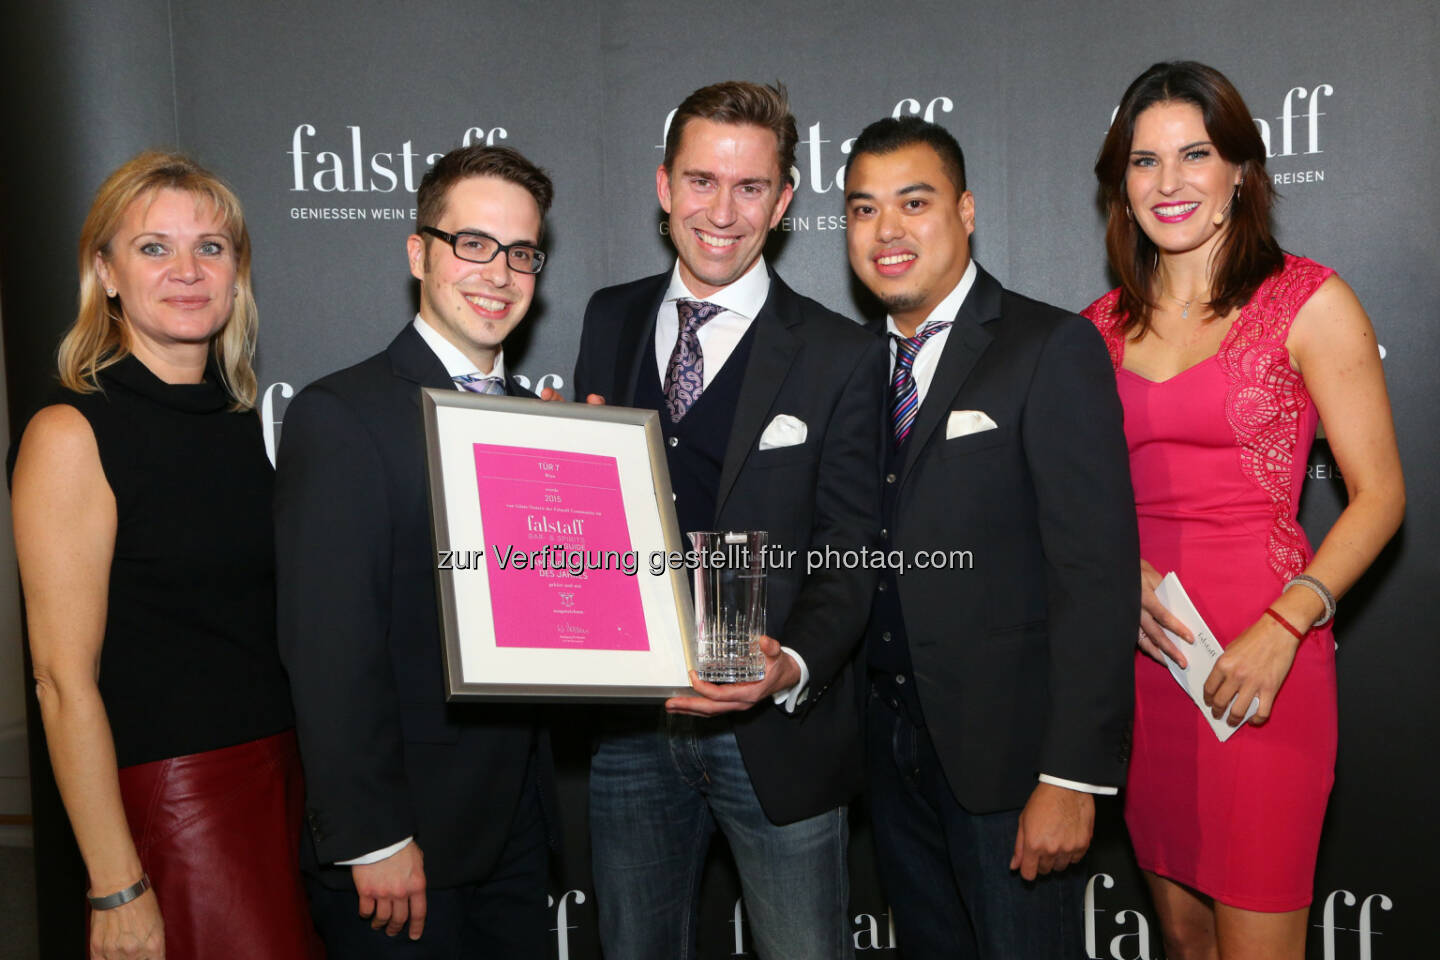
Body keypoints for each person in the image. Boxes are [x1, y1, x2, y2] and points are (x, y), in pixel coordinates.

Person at [1082, 61, 1405, 960]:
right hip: (1147, 662)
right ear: (1123, 182)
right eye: (1144, 162)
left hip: (1267, 664)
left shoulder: (1311, 301)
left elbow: (1380, 497)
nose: (1169, 182)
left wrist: (1287, 624)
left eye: (1195, 154)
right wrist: (1115, 574)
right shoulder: (1094, 331)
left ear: (1239, 173)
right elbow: (1070, 506)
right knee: (1185, 943)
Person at [573, 80, 886, 960]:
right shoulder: (610, 317)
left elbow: (853, 550)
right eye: (702, 181)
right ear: (664, 186)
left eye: (750, 188)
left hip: (776, 737)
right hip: (632, 730)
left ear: (784, 202)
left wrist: (789, 665)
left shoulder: (839, 353)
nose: (722, 210)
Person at [10, 152, 321, 959]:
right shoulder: (72, 432)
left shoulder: (232, 418)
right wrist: (117, 883)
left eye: (211, 248)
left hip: (281, 786)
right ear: (105, 272)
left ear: (237, 272)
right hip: (178, 805)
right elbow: (59, 683)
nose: (187, 271)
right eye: (153, 248)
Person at [842, 117, 1139, 959]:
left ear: (966, 211)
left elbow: (1096, 572)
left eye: (914, 202)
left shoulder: (1048, 347)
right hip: (885, 751)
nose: (887, 231)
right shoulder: (848, 366)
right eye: (864, 210)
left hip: (1012, 766)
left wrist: (1071, 776)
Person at [274, 145, 555, 956]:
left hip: (518, 830)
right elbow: (327, 646)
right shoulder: (341, 416)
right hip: (403, 850)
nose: (497, 273)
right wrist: (371, 836)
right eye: (472, 243)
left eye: (521, 253)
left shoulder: (547, 428)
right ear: (418, 252)